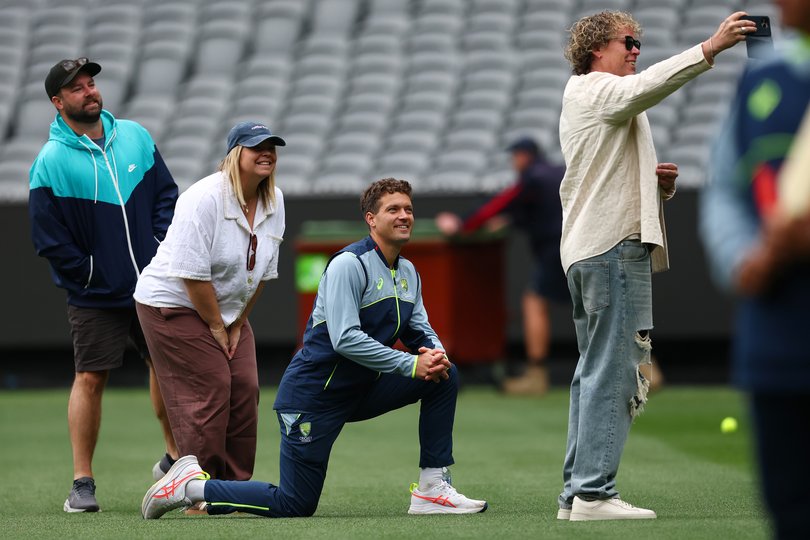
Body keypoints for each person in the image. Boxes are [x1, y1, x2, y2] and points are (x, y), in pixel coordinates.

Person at [141, 178, 488, 519]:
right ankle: (190, 487)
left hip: (359, 390)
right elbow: (345, 338)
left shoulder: (409, 271)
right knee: (295, 504)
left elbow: (419, 328)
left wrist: (435, 354)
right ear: (371, 219)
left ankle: (431, 488)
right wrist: (410, 365)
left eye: (409, 209)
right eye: (393, 209)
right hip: (313, 399)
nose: (404, 216)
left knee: (444, 375)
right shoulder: (348, 265)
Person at [556, 11, 752, 521]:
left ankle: (576, 493)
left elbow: (606, 177)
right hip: (609, 250)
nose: (636, 49)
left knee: (592, 372)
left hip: (593, 248)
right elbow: (642, 88)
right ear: (597, 49)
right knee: (615, 372)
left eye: (639, 42)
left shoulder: (594, 95)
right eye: (628, 41)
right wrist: (710, 48)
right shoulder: (595, 87)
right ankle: (594, 495)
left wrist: (655, 188)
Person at [28, 57, 179, 513]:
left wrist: (156, 250)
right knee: (90, 377)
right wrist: (91, 273)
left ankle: (176, 459)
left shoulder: (135, 135)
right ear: (58, 102)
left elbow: (166, 198)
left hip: (152, 285)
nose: (89, 91)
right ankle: (82, 483)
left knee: (167, 368)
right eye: (77, 88)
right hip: (95, 294)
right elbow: (48, 238)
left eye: (91, 83)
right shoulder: (50, 161)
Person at [700, 1, 810, 537]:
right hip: (777, 343)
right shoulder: (762, 78)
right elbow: (726, 190)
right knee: (788, 510)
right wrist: (747, 258)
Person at [134, 121, 287, 486]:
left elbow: (262, 272)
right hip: (170, 304)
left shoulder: (275, 199)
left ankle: (232, 488)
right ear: (236, 154)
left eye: (272, 147)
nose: (266, 153)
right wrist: (218, 325)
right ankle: (198, 489)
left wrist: (236, 323)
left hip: (227, 307)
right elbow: (191, 274)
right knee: (212, 386)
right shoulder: (203, 197)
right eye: (256, 147)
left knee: (246, 386)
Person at [435, 137, 569, 396]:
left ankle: (536, 374)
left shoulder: (534, 177)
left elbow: (501, 203)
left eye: (514, 157)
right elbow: (530, 212)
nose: (513, 162)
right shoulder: (557, 173)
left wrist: (463, 224)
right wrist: (509, 220)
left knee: (535, 301)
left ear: (523, 156)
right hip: (580, 244)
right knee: (595, 305)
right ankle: (643, 368)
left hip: (556, 248)